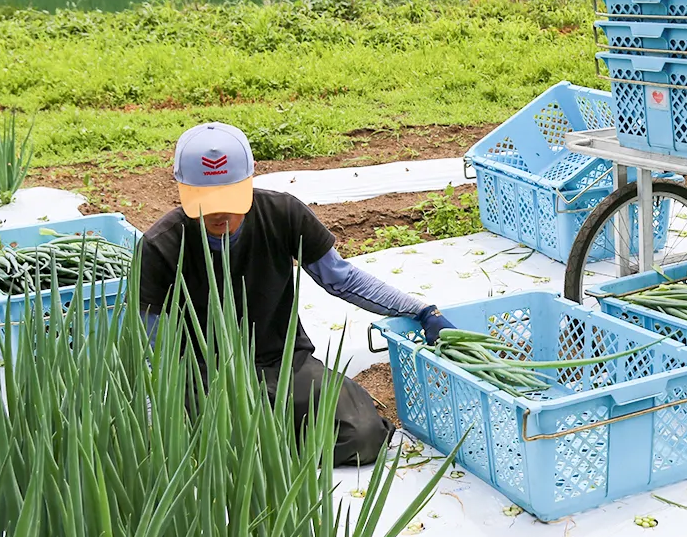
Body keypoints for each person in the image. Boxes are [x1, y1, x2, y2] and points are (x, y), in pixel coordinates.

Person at [138, 122, 455, 466]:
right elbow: (155, 348)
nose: (219, 213)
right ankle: (254, 450)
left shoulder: (282, 214)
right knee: (208, 454)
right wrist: (159, 423)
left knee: (364, 435)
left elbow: (341, 279)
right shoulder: (160, 247)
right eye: (205, 200)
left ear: (250, 179)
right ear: (182, 187)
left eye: (230, 198)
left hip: (283, 363)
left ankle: (263, 450)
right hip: (207, 377)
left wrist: (422, 310)